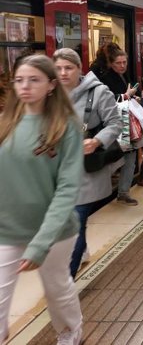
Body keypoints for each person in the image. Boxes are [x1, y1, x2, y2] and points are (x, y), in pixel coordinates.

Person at [0, 55, 84, 345]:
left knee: (56, 288)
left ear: (51, 85)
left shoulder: (65, 127)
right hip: (6, 229)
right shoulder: (5, 122)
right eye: (19, 80)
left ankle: (70, 331)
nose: (24, 86)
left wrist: (40, 242)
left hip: (53, 233)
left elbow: (67, 188)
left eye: (34, 80)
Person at [53, 48, 124, 278]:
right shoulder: (48, 93)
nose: (63, 73)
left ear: (79, 69)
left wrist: (96, 141)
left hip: (84, 171)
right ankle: (80, 252)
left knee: (75, 223)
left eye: (69, 68)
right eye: (58, 68)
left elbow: (115, 123)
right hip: (55, 171)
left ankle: (67, 280)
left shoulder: (99, 92)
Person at [101, 49, 143, 205]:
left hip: (127, 123)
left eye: (124, 62)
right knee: (113, 159)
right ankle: (104, 191)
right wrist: (126, 95)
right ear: (111, 63)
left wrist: (135, 96)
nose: (122, 65)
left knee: (130, 158)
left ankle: (123, 192)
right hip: (114, 123)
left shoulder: (126, 75)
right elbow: (105, 100)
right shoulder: (105, 78)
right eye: (118, 63)